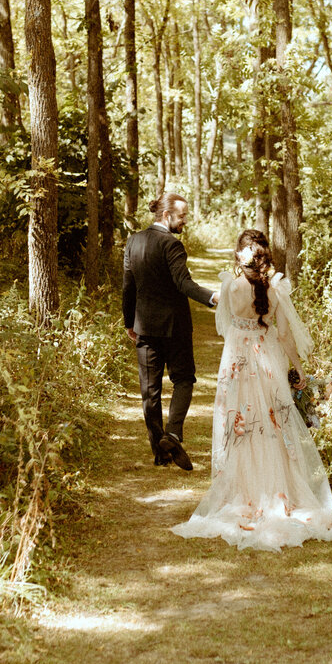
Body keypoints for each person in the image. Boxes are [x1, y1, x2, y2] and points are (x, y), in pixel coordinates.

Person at [172, 229, 332, 551]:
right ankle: (278, 490)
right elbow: (286, 335)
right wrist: (299, 368)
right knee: (273, 424)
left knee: (238, 422)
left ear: (240, 256)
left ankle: (245, 490)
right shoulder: (275, 290)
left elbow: (224, 327)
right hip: (267, 361)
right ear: (264, 258)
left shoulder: (232, 287)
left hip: (237, 362)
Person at [123, 193, 217, 470]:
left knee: (149, 392)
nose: (185, 221)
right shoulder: (172, 245)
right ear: (167, 216)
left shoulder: (134, 241)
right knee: (184, 379)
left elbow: (128, 287)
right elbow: (183, 283)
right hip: (174, 328)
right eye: (182, 216)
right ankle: (172, 435)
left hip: (145, 328)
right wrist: (213, 298)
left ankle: (160, 452)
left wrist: (129, 322)